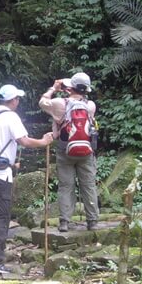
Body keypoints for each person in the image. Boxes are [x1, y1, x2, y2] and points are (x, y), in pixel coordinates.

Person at [0, 84, 54, 274]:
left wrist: (11, 164)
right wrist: (43, 142)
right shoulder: (10, 117)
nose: (18, 102)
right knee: (1, 217)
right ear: (12, 100)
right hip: (0, 176)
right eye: (17, 99)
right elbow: (24, 141)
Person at [39, 72, 99, 232]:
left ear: (71, 87)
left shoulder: (59, 103)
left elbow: (42, 102)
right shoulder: (90, 105)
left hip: (65, 150)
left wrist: (54, 88)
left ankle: (65, 222)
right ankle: (92, 221)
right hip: (86, 151)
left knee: (66, 186)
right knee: (89, 186)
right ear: (86, 89)